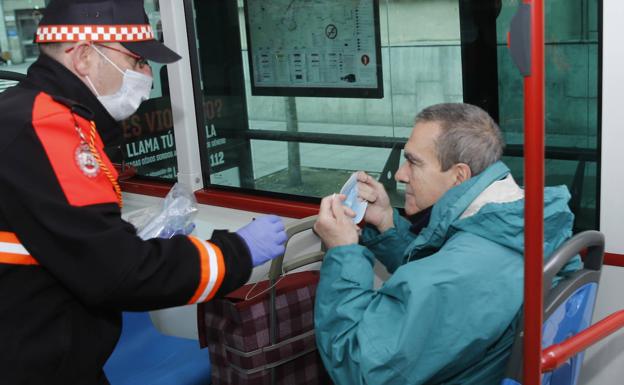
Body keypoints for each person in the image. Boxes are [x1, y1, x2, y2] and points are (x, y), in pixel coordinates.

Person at [0, 1, 287, 384]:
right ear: (85, 56)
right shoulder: (46, 127)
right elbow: (118, 274)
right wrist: (236, 251)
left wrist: (127, 241)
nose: (146, 76)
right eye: (136, 60)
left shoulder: (46, 115)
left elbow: (70, 240)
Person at [313, 103, 581, 385]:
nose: (401, 174)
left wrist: (343, 252)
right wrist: (386, 223)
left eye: (413, 162)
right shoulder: (512, 225)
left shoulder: (461, 274)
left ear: (459, 176)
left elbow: (357, 368)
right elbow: (437, 275)